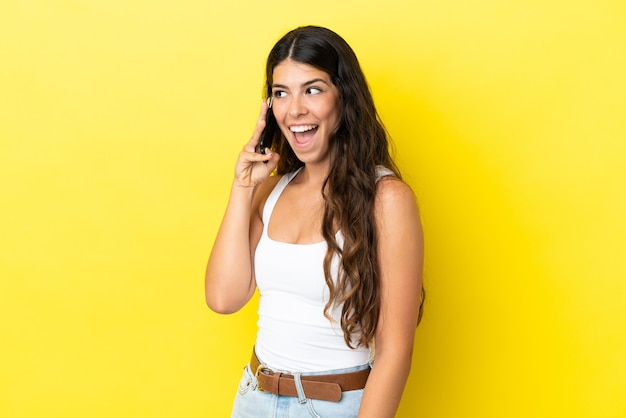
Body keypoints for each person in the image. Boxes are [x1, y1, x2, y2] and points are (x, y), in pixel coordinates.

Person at [205, 25, 424, 418]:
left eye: (313, 89)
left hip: (335, 406)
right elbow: (224, 298)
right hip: (254, 398)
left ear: (344, 97)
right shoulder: (267, 193)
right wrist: (241, 188)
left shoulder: (387, 200)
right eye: (280, 93)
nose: (294, 110)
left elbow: (395, 353)